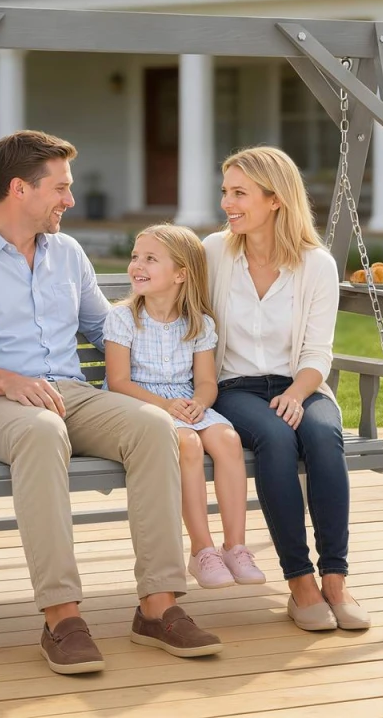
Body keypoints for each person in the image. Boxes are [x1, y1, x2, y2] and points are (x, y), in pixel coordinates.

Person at [0, 131, 222, 676]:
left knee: (154, 427)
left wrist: (175, 346)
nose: (70, 199)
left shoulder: (66, 253)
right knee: (41, 431)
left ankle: (158, 607)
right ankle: (61, 617)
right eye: (60, 188)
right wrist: (9, 381)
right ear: (20, 189)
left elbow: (106, 328)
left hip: (71, 394)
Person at [205, 146, 371, 632]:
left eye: (239, 193)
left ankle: (335, 579)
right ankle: (300, 583)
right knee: (276, 438)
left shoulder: (316, 265)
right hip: (234, 387)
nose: (227, 203)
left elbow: (318, 351)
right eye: (225, 192)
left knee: (322, 435)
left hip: (301, 385)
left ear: (275, 199)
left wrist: (297, 393)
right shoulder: (215, 252)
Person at [104, 224, 266, 589]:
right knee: (188, 444)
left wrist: (199, 403)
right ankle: (202, 550)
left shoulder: (198, 323)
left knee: (227, 439)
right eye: (135, 256)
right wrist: (166, 406)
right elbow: (119, 382)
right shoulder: (123, 318)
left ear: (181, 274)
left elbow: (206, 382)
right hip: (141, 403)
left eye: (150, 259)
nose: (137, 265)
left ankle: (235, 547)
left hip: (185, 401)